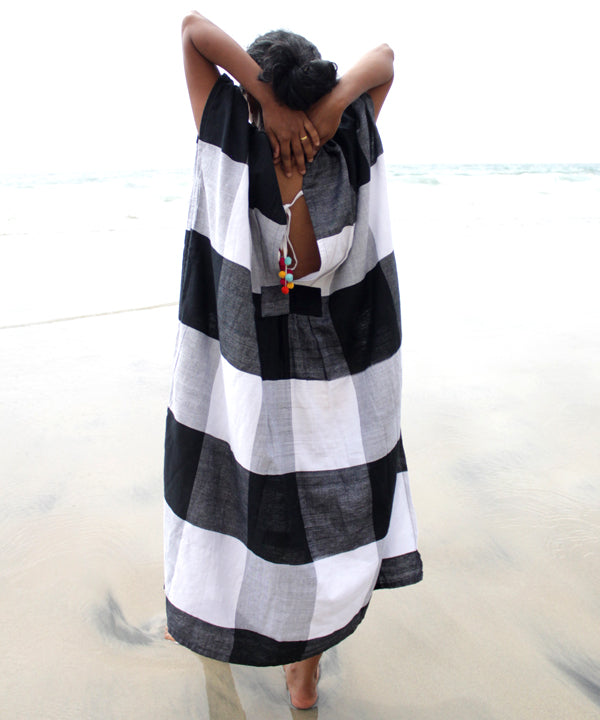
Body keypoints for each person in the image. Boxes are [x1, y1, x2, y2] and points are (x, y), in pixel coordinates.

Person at [163, 12, 423, 710]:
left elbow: (193, 30)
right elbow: (383, 57)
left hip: (249, 374)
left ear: (255, 91)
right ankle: (303, 674)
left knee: (240, 509)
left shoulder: (235, 136)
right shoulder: (343, 142)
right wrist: (329, 108)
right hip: (329, 376)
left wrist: (264, 105)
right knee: (321, 520)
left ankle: (235, 631)